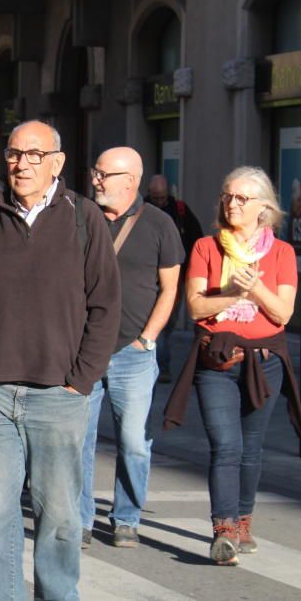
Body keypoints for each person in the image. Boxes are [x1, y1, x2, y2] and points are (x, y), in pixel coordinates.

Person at [0, 120, 121, 600]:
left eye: (33, 154)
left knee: (59, 516)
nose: (21, 164)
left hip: (58, 394)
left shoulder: (84, 218)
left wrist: (81, 380)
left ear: (57, 163)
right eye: (14, 153)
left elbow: (106, 306)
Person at [163, 166, 301, 566]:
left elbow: (281, 313)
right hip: (217, 361)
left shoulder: (281, 253)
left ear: (263, 207)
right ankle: (223, 529)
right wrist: (230, 293)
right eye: (227, 196)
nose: (232, 204)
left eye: (242, 198)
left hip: (266, 361)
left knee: (251, 449)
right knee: (225, 446)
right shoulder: (206, 248)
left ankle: (244, 519)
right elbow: (195, 307)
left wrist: (255, 287)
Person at [80, 148, 185, 550]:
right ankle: (81, 518)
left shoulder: (160, 224)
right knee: (79, 440)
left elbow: (171, 288)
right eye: (95, 172)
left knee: (133, 441)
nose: (95, 180)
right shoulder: (82, 219)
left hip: (133, 353)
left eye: (102, 173)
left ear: (129, 179)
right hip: (85, 348)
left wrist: (149, 338)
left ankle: (126, 517)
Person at [146, 173, 206, 381]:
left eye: (162, 197)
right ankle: (161, 366)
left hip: (176, 275)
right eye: (155, 198)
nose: (159, 202)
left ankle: (157, 357)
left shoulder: (180, 211)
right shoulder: (143, 209)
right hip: (149, 277)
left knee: (168, 322)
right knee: (160, 325)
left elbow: (196, 239)